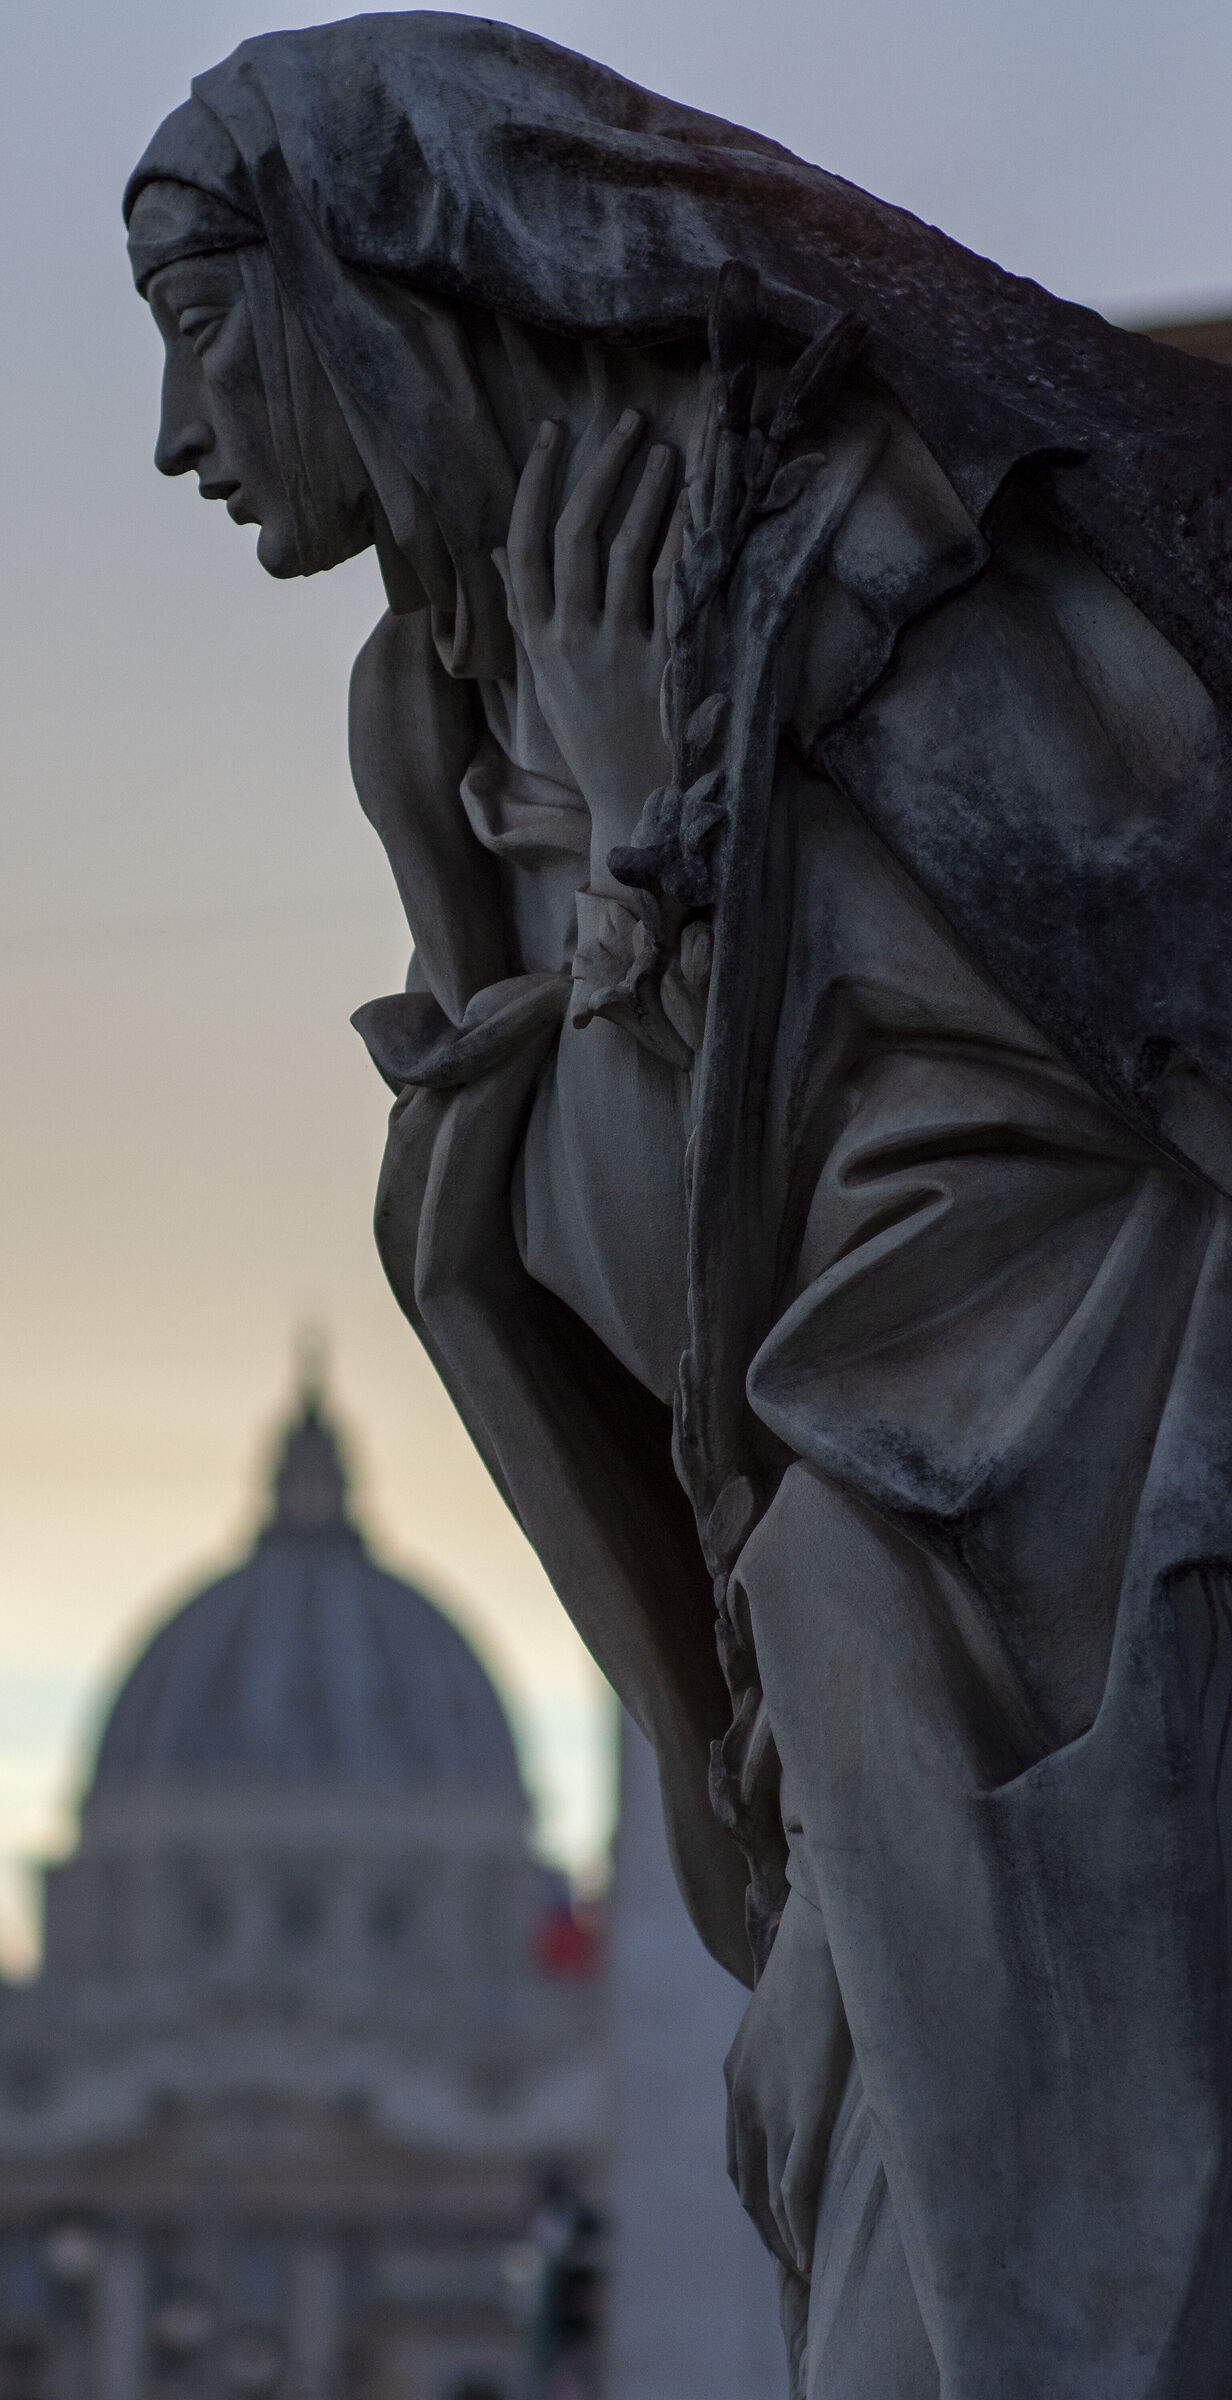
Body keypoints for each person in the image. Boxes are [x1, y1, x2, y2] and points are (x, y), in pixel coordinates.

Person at [124, 18, 1232, 2396]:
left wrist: (656, 879)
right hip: (804, 1576)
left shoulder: (857, 551)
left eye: (205, 327)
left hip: (1024, 1479)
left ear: (376, 287)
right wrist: (645, 904)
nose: (174, 434)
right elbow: (591, 1289)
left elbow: (1114, 1007)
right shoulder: (430, 718)